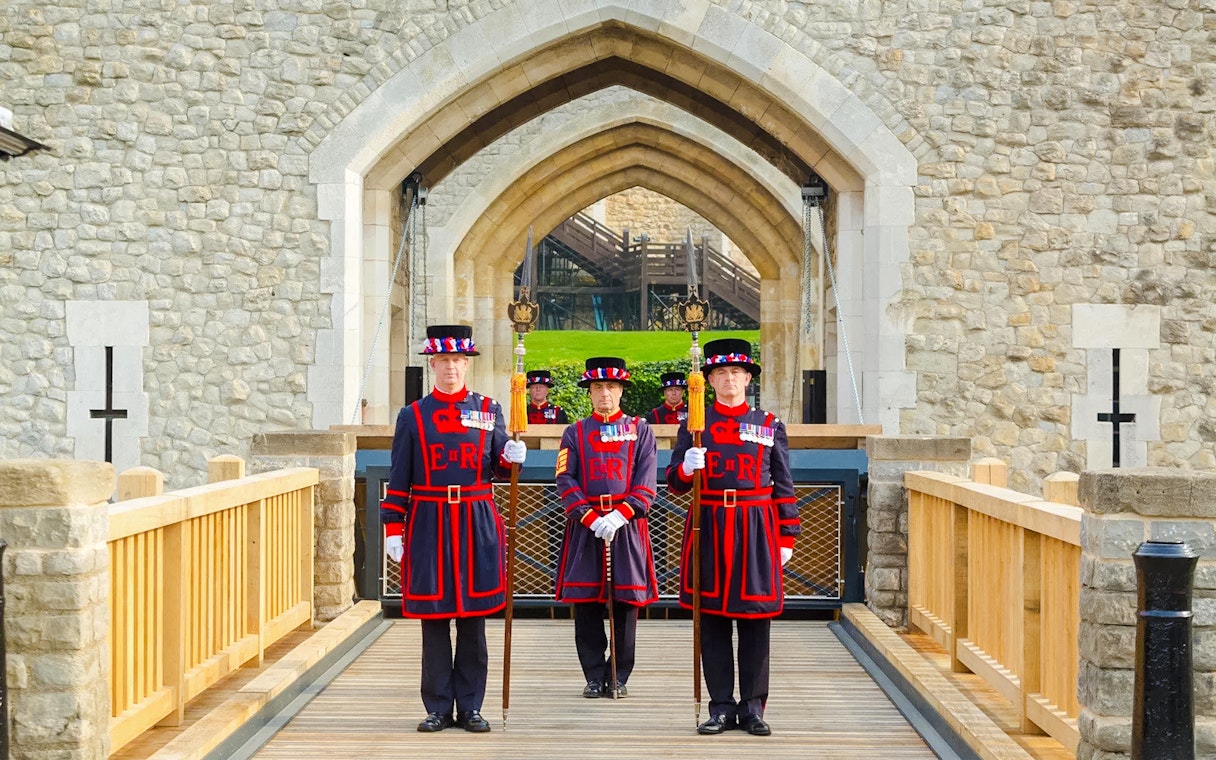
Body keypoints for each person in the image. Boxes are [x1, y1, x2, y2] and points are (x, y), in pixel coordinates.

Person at [380, 324, 528, 734]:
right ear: (432, 364)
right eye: (443, 361)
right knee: (434, 617)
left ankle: (472, 705)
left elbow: (499, 465)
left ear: (467, 364)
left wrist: (512, 456)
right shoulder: (413, 415)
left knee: (474, 618)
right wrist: (394, 528)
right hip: (428, 519)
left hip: (475, 519)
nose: (450, 368)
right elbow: (399, 476)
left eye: (457, 361)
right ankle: (438, 706)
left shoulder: (488, 409)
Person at [666, 338, 799, 737]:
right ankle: (721, 706)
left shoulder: (768, 423)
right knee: (713, 620)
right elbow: (673, 483)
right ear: (709, 380)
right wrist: (688, 467)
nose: (729, 380)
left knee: (755, 618)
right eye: (720, 373)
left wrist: (787, 534)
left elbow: (784, 483)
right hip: (708, 523)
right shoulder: (695, 423)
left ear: (747, 378)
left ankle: (754, 705)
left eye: (736, 373)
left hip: (756, 525)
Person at [554, 356, 659, 699]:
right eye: (598, 387)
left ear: (621, 390)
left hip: (626, 526)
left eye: (611, 387)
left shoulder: (640, 429)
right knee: (585, 603)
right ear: (589, 393)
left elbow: (646, 480)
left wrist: (621, 514)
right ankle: (593, 674)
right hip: (587, 527)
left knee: (626, 603)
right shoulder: (575, 432)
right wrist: (588, 515)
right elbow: (565, 478)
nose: (605, 394)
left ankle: (619, 673)